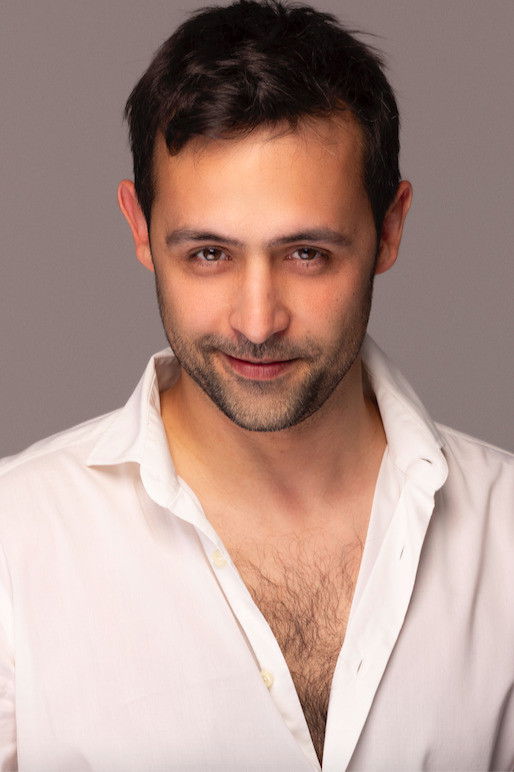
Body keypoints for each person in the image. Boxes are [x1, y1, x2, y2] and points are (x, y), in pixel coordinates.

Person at [0, 0, 512, 769]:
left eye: (306, 254)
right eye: (209, 254)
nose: (257, 320)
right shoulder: (15, 545)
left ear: (390, 227)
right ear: (140, 228)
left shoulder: (504, 537)